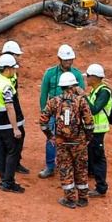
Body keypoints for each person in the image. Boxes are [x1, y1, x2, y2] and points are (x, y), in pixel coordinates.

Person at [40, 70, 93, 207]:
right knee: (81, 169)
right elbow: (89, 122)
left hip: (61, 141)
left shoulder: (54, 102)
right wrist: (87, 138)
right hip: (79, 142)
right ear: (73, 86)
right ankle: (83, 199)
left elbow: (43, 121)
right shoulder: (81, 101)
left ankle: (70, 200)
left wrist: (50, 136)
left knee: (65, 169)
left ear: (61, 86)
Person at [0, 52, 26, 192]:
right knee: (13, 151)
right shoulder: (6, 86)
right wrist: (15, 128)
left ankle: (3, 179)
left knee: (2, 150)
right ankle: (8, 182)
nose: (15, 71)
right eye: (13, 68)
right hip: (8, 124)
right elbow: (10, 106)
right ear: (7, 69)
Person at [37, 44, 77, 177]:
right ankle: (50, 166)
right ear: (59, 59)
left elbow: (81, 94)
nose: (68, 62)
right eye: (66, 60)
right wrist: (44, 112)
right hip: (54, 112)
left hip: (70, 112)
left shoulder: (76, 74)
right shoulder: (50, 73)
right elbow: (44, 94)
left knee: (70, 138)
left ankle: (69, 165)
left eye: (70, 60)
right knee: (51, 138)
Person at [84, 62, 112, 197]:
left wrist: (83, 97)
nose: (86, 79)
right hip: (93, 130)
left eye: (88, 76)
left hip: (98, 131)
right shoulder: (96, 90)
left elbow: (94, 110)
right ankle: (93, 175)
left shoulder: (104, 92)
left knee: (98, 157)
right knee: (92, 154)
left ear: (95, 78)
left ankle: (101, 187)